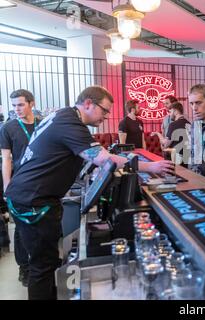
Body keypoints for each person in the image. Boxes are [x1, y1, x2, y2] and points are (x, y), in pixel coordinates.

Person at [4, 85, 174, 299]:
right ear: (88, 104)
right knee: (42, 267)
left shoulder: (63, 115)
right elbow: (104, 159)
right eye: (104, 110)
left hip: (28, 195)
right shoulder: (70, 123)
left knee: (48, 263)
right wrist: (150, 167)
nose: (106, 116)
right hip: (33, 201)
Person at [0, 89, 41, 287]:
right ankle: (24, 268)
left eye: (21, 104)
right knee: (21, 228)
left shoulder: (43, 125)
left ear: (31, 103)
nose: (17, 109)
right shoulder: (8, 128)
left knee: (42, 226)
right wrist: (7, 186)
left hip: (42, 184)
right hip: (19, 185)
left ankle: (40, 264)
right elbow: (6, 159)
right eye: (14, 105)